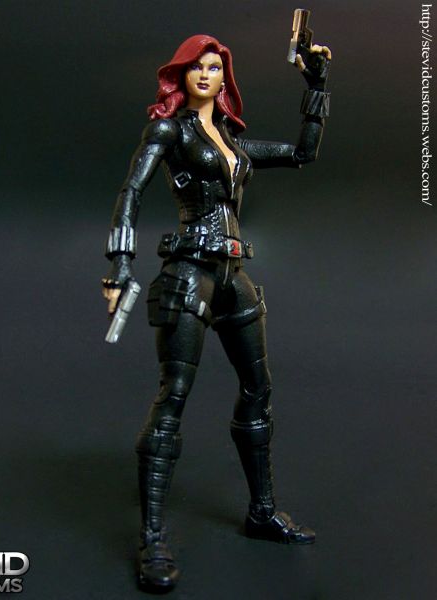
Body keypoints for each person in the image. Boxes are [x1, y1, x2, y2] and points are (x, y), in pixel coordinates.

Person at [102, 34, 331, 592]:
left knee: (258, 388)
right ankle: (152, 537)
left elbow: (303, 154)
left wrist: (317, 85)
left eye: (215, 67)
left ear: (224, 78)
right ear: (180, 75)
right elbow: (131, 191)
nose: (206, 75)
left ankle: (262, 511)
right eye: (196, 67)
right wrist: (119, 266)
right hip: (188, 272)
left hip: (233, 275)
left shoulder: (232, 141)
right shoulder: (170, 131)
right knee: (174, 395)